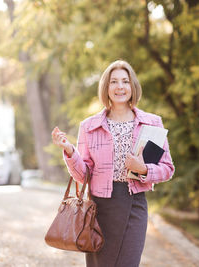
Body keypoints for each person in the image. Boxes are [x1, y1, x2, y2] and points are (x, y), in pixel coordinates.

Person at [51, 59, 174, 267]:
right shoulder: (89, 126)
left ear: (132, 86)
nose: (120, 87)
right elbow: (83, 175)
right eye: (114, 82)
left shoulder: (152, 123)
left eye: (125, 81)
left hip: (135, 205)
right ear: (106, 87)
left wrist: (143, 169)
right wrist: (70, 151)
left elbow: (168, 169)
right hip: (100, 208)